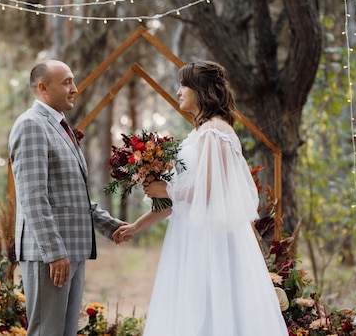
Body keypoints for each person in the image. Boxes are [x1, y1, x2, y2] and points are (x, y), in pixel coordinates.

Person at [113, 60, 287, 335]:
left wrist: (166, 189)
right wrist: (137, 226)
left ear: (201, 90)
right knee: (190, 308)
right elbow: (182, 199)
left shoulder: (215, 131)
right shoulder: (199, 133)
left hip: (210, 239)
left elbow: (208, 191)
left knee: (210, 307)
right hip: (189, 235)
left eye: (184, 85)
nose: (179, 91)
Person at [8, 60, 125, 336]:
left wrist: (112, 226)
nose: (74, 89)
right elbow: (33, 196)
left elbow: (73, 195)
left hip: (73, 252)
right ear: (43, 87)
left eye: (73, 81)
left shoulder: (60, 126)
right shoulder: (31, 126)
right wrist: (54, 252)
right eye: (66, 82)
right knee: (47, 332)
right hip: (50, 255)